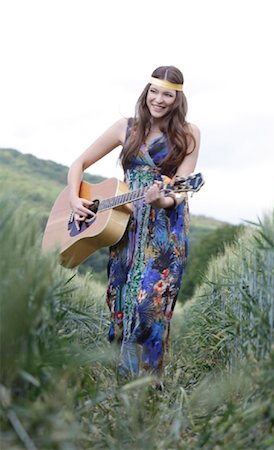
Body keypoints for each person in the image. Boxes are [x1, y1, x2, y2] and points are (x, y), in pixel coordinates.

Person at [67, 65, 201, 383]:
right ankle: (124, 386)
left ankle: (151, 386)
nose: (159, 99)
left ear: (177, 98)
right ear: (146, 92)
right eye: (154, 91)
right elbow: (79, 163)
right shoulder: (125, 127)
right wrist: (74, 199)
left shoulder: (189, 133)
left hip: (166, 230)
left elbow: (181, 189)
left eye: (167, 94)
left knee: (149, 307)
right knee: (123, 302)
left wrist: (161, 200)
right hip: (125, 225)